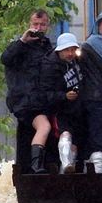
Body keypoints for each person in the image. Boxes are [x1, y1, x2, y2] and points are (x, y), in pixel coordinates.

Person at [0, 9, 54, 173]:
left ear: (47, 26)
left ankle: (40, 167)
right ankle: (35, 168)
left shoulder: (48, 48)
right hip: (26, 102)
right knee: (42, 127)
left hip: (43, 102)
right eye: (35, 24)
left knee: (46, 133)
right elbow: (6, 59)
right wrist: (23, 40)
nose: (38, 28)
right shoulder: (20, 46)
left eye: (42, 24)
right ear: (30, 25)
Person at [78, 11, 102, 172]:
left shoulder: (101, 42)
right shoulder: (97, 42)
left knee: (95, 136)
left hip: (95, 96)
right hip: (98, 98)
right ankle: (97, 175)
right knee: (99, 137)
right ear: (98, 25)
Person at [42, 33, 84, 173]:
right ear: (59, 50)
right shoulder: (49, 67)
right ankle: (66, 165)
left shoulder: (76, 61)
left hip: (78, 109)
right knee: (65, 135)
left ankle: (68, 170)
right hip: (60, 110)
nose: (70, 53)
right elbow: (46, 94)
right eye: (67, 50)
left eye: (72, 49)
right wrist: (65, 96)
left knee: (76, 142)